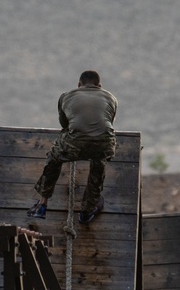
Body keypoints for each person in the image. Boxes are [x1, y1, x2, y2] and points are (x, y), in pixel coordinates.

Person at [27, 70, 118, 224]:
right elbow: (107, 123)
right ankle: (87, 211)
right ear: (99, 86)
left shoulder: (66, 96)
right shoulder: (111, 98)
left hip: (74, 143)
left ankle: (42, 204)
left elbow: (64, 125)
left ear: (78, 85)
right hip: (105, 143)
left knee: (53, 158)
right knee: (99, 163)